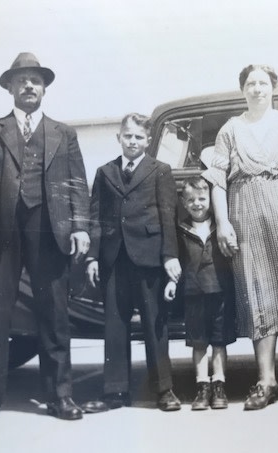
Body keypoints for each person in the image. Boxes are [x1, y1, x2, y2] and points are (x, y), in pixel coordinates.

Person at [0, 52, 91, 426]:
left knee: (54, 314)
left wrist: (80, 225)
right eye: (21, 80)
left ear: (44, 88)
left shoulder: (64, 133)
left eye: (35, 80)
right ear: (10, 88)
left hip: (50, 231)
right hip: (1, 231)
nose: (29, 86)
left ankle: (60, 396)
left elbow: (77, 184)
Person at [202, 64, 278, 410]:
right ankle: (266, 380)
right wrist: (223, 223)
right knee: (257, 291)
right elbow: (218, 179)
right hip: (246, 210)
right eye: (251, 83)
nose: (257, 89)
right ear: (242, 90)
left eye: (263, 83)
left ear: (273, 88)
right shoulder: (231, 129)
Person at [83, 113, 182, 413]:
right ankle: (115, 391)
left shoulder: (160, 171)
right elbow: (96, 217)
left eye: (139, 137)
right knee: (115, 324)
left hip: (149, 257)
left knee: (155, 324)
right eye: (128, 136)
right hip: (114, 259)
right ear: (119, 138)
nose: (133, 142)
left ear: (148, 141)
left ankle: (164, 390)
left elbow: (168, 216)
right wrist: (92, 257)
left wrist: (170, 257)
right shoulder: (104, 172)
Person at [163, 177, 236, 411]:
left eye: (202, 199)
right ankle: (202, 386)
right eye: (191, 200)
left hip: (220, 291)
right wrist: (172, 283)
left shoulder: (221, 227)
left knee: (219, 341)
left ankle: (219, 384)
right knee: (199, 342)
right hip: (193, 293)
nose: (197, 204)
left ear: (211, 201)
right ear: (183, 203)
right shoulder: (181, 230)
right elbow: (178, 262)